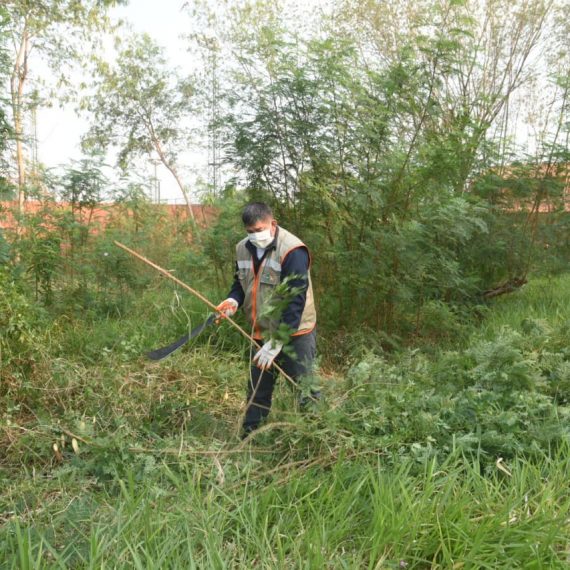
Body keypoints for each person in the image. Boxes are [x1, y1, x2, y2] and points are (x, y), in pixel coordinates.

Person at [215, 202, 319, 436]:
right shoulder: (242, 248)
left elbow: (295, 300)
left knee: (305, 389)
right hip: (262, 331)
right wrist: (232, 300)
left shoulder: (292, 250)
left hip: (295, 332)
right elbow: (241, 282)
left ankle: (316, 436)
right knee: (257, 390)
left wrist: (278, 341)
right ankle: (250, 438)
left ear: (273, 224)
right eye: (250, 231)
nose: (255, 236)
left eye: (259, 230)